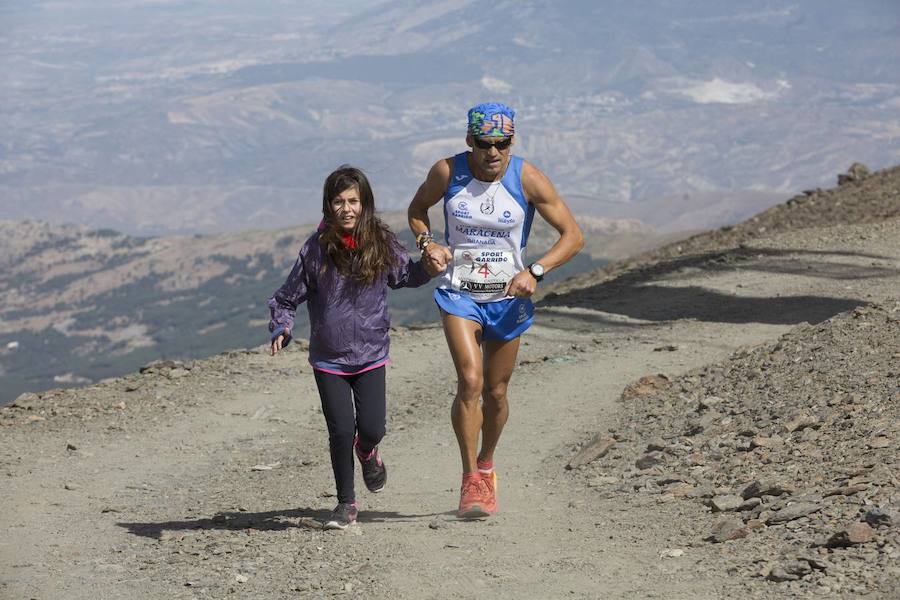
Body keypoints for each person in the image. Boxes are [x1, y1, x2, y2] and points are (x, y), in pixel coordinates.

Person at [407, 102, 584, 518]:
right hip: (459, 294)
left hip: (508, 299)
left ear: (512, 142)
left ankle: (487, 463)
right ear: (470, 141)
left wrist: (536, 271)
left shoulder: (527, 177)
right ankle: (470, 480)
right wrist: (427, 244)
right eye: (485, 144)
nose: (493, 153)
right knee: (469, 381)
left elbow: (573, 236)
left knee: (497, 391)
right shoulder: (447, 172)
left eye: (502, 144)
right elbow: (417, 211)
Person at [268, 165, 444, 530]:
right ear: (327, 206)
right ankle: (345, 503)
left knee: (372, 429)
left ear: (365, 204)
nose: (346, 209)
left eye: (353, 201)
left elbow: (405, 276)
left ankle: (369, 453)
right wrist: (282, 327)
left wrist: (428, 268)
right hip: (329, 358)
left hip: (370, 353)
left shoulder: (381, 242)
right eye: (338, 201)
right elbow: (287, 297)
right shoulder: (315, 250)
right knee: (341, 431)